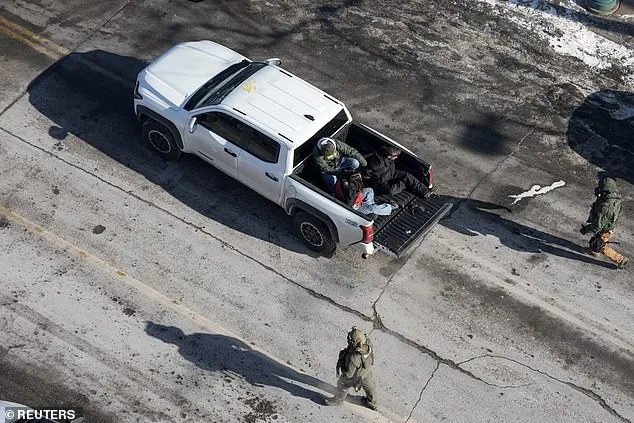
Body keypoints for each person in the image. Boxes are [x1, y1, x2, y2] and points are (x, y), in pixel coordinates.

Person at [324, 327, 378, 411]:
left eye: (351, 339)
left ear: (354, 342)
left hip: (356, 376)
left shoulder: (353, 357)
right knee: (370, 386)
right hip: (365, 371)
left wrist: (342, 364)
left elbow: (349, 374)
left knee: (343, 384)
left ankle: (338, 400)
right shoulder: (368, 344)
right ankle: (372, 402)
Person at [580, 177, 628, 269]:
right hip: (608, 225)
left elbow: (597, 226)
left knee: (600, 245)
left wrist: (586, 229)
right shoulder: (615, 197)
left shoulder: (606, 207)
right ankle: (593, 249)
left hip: (605, 229)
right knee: (596, 241)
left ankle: (621, 260)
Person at [365, 146, 433, 198]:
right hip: (381, 181)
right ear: (389, 155)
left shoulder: (386, 154)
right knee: (391, 190)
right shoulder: (377, 165)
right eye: (395, 157)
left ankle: (424, 191)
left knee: (406, 175)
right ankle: (404, 184)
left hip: (390, 173)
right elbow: (374, 177)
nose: (396, 158)